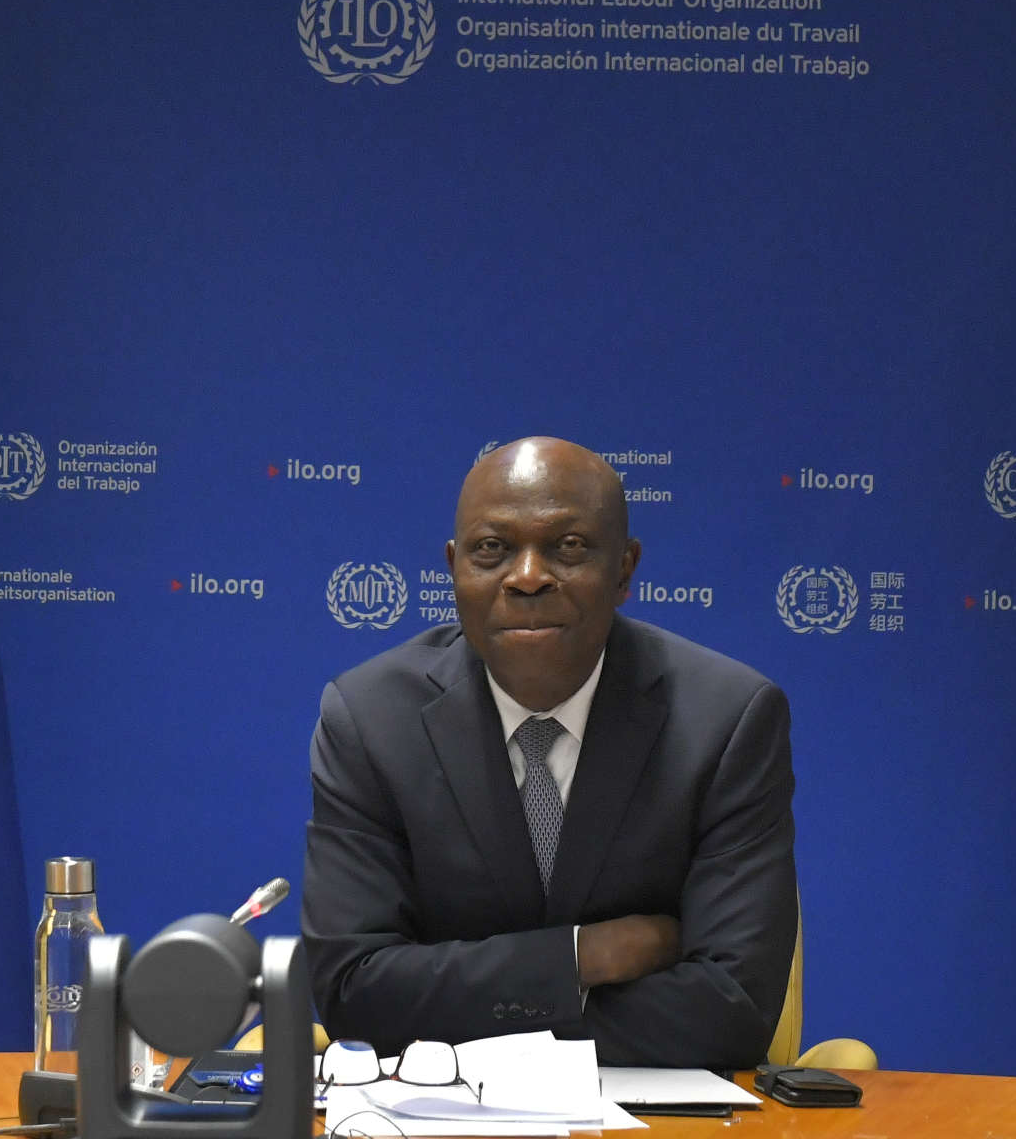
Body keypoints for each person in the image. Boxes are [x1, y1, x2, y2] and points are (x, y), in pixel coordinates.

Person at [303, 437, 796, 1061]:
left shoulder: (726, 719)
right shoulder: (371, 719)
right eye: (492, 550)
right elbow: (355, 996)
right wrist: (584, 956)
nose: (528, 576)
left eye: (567, 548)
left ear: (624, 569)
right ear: (455, 568)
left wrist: (460, 1011)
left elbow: (734, 1011)